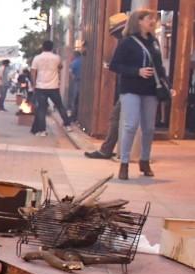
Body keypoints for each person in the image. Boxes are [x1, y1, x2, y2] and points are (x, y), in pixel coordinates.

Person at [109, 9, 172, 180]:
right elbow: (114, 65)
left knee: (149, 128)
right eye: (148, 18)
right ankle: (124, 162)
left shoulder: (154, 42)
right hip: (131, 88)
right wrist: (137, 71)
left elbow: (159, 67)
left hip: (151, 89)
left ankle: (145, 160)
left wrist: (167, 85)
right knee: (130, 126)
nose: (152, 21)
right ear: (139, 22)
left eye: (153, 18)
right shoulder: (127, 42)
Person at [85, 13, 129, 160]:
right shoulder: (143, 41)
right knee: (133, 122)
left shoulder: (125, 43)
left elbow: (117, 65)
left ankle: (108, 150)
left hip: (130, 89)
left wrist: (112, 66)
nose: (116, 37)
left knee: (117, 118)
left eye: (116, 34)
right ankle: (125, 152)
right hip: (136, 89)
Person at [31, 40, 72, 136]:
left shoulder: (37, 58)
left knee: (42, 109)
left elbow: (33, 72)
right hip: (53, 86)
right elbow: (61, 66)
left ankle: (42, 131)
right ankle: (67, 125)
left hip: (40, 86)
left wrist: (34, 84)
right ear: (52, 47)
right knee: (60, 106)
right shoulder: (56, 58)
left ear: (42, 47)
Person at [68, 51, 82, 122]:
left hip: (77, 82)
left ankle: (74, 116)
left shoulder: (74, 63)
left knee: (75, 99)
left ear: (74, 56)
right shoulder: (83, 60)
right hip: (85, 82)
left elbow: (70, 72)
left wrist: (73, 77)